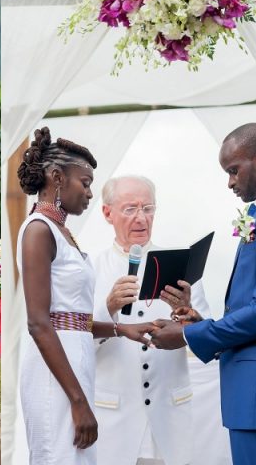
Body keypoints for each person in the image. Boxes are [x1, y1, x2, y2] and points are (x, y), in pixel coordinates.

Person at [151, 123, 256, 465]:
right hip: (255, 392)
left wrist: (187, 334)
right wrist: (203, 321)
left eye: (232, 170)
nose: (229, 182)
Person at [16, 127, 154, 464]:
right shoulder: (38, 230)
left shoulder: (63, 233)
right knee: (58, 454)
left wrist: (124, 329)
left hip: (75, 364)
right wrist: (78, 401)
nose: (90, 194)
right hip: (55, 374)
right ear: (57, 178)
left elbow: (73, 318)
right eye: (86, 183)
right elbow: (39, 323)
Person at [92, 175, 211, 465]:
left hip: (169, 419)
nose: (141, 218)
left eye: (148, 208)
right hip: (115, 420)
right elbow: (75, 344)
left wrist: (189, 313)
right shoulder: (91, 268)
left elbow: (207, 342)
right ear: (108, 213)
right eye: (130, 208)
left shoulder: (181, 266)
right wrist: (108, 307)